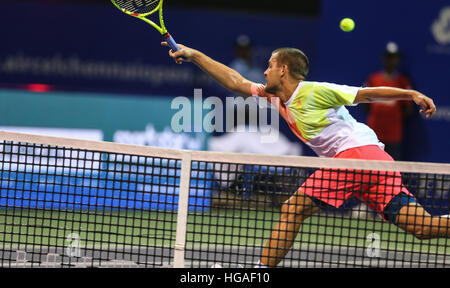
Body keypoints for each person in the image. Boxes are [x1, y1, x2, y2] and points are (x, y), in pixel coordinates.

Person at [162, 41, 448, 268]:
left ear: (283, 69)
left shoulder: (314, 91)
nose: (264, 72)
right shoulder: (274, 96)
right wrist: (194, 55)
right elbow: (236, 81)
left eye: (269, 66)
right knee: (422, 227)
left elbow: (367, 95)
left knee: (293, 208)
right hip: (377, 163)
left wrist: (409, 94)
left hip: (357, 155)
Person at [365, 42, 413, 160]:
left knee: (392, 170)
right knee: (369, 168)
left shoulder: (403, 82)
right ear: (384, 59)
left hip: (393, 136)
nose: (391, 61)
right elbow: (365, 105)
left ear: (398, 60)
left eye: (394, 58)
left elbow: (408, 110)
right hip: (373, 134)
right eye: (388, 57)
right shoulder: (373, 79)